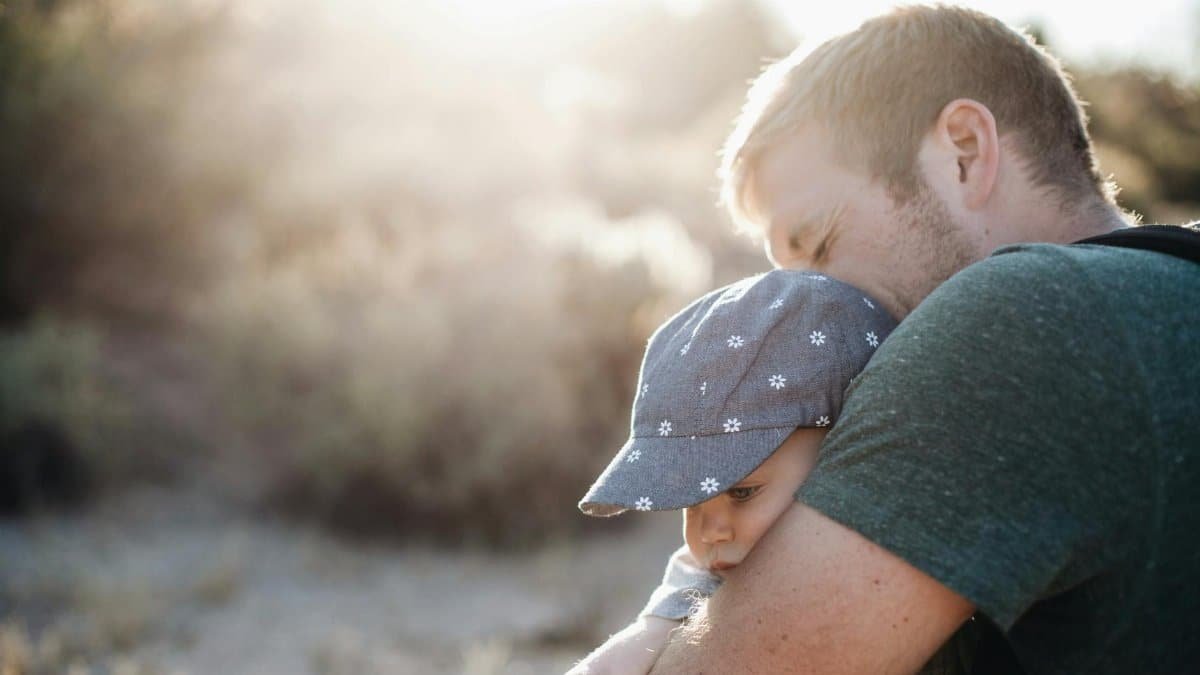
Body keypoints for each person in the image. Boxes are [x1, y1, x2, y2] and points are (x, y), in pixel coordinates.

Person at [639, 5, 1199, 674]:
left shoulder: (1013, 319)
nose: (801, 311)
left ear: (964, 151)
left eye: (818, 244)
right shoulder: (1168, 290)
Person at [568, 269, 908, 674]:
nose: (709, 532)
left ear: (842, 450)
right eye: (691, 503)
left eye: (742, 492)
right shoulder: (709, 575)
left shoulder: (900, 554)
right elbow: (624, 655)